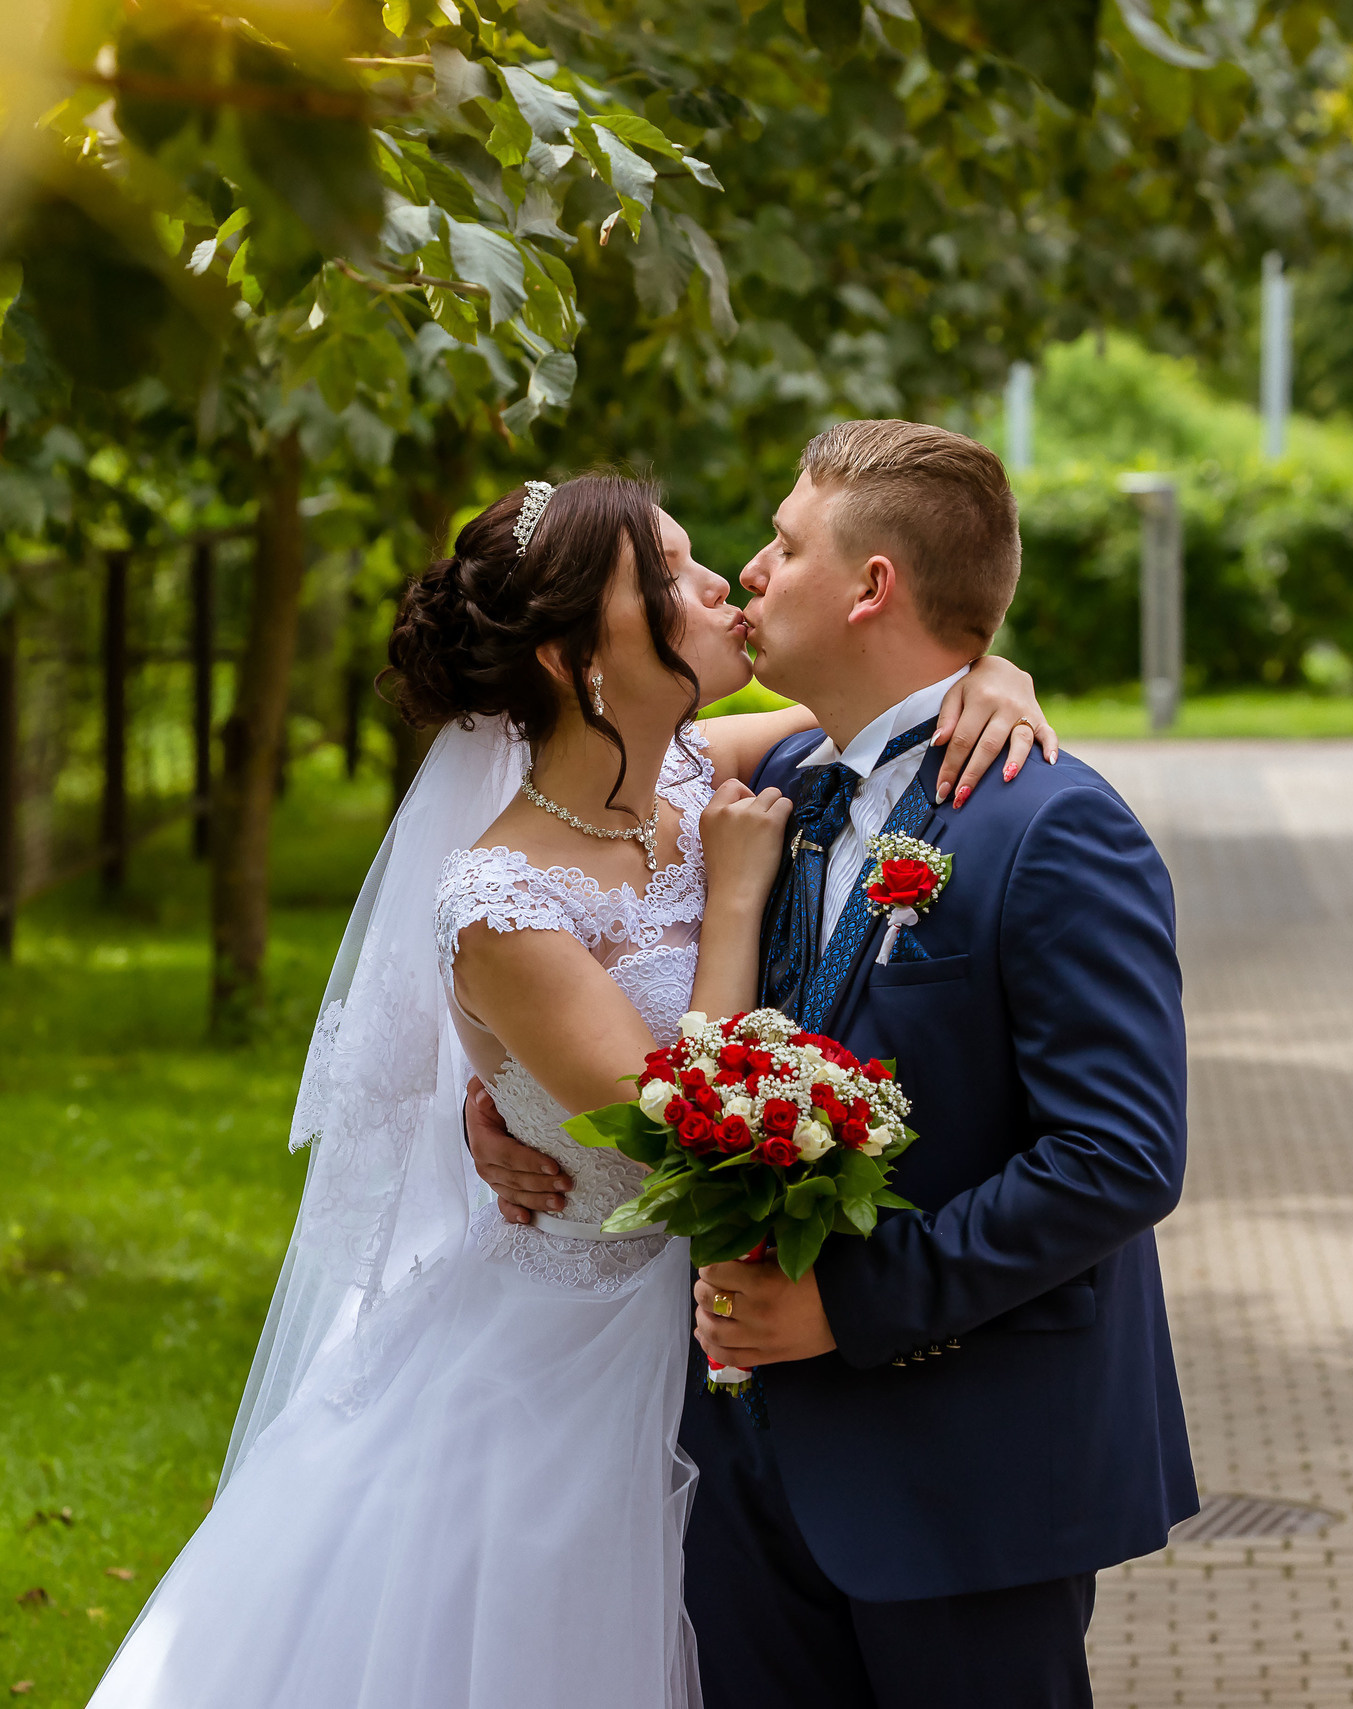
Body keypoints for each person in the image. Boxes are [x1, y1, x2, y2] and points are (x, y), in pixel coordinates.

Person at [79, 469, 1057, 1708]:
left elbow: (881, 718)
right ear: (573, 658)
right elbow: (690, 1145)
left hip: (725, 1350)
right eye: (669, 575)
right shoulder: (502, 900)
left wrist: (993, 674)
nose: (721, 585)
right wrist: (737, 894)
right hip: (573, 1374)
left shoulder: (695, 770)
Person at [471, 421, 1198, 1709]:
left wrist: (849, 1306)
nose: (748, 571)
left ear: (871, 589)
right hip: (730, 1471)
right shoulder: (777, 782)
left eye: (783, 545)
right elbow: (577, 957)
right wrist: (499, 1098)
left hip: (960, 1472)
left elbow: (1117, 1158)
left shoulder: (1053, 824)